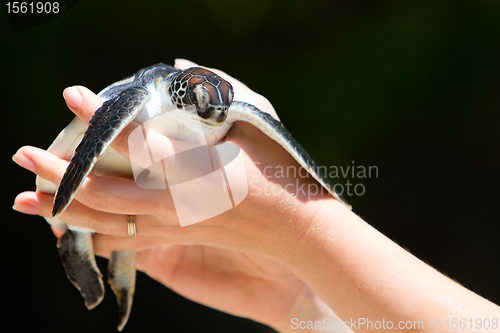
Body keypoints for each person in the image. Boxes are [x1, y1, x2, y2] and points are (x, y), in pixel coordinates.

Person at [13, 59, 500, 332]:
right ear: (180, 90)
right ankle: (75, 234)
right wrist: (293, 293)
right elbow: (104, 122)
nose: (212, 112)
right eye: (203, 105)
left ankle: (79, 231)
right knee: (83, 214)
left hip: (182, 205)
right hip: (122, 160)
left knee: (94, 220)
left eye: (219, 109)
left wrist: (301, 240)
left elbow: (276, 146)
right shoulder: (153, 91)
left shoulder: (226, 109)